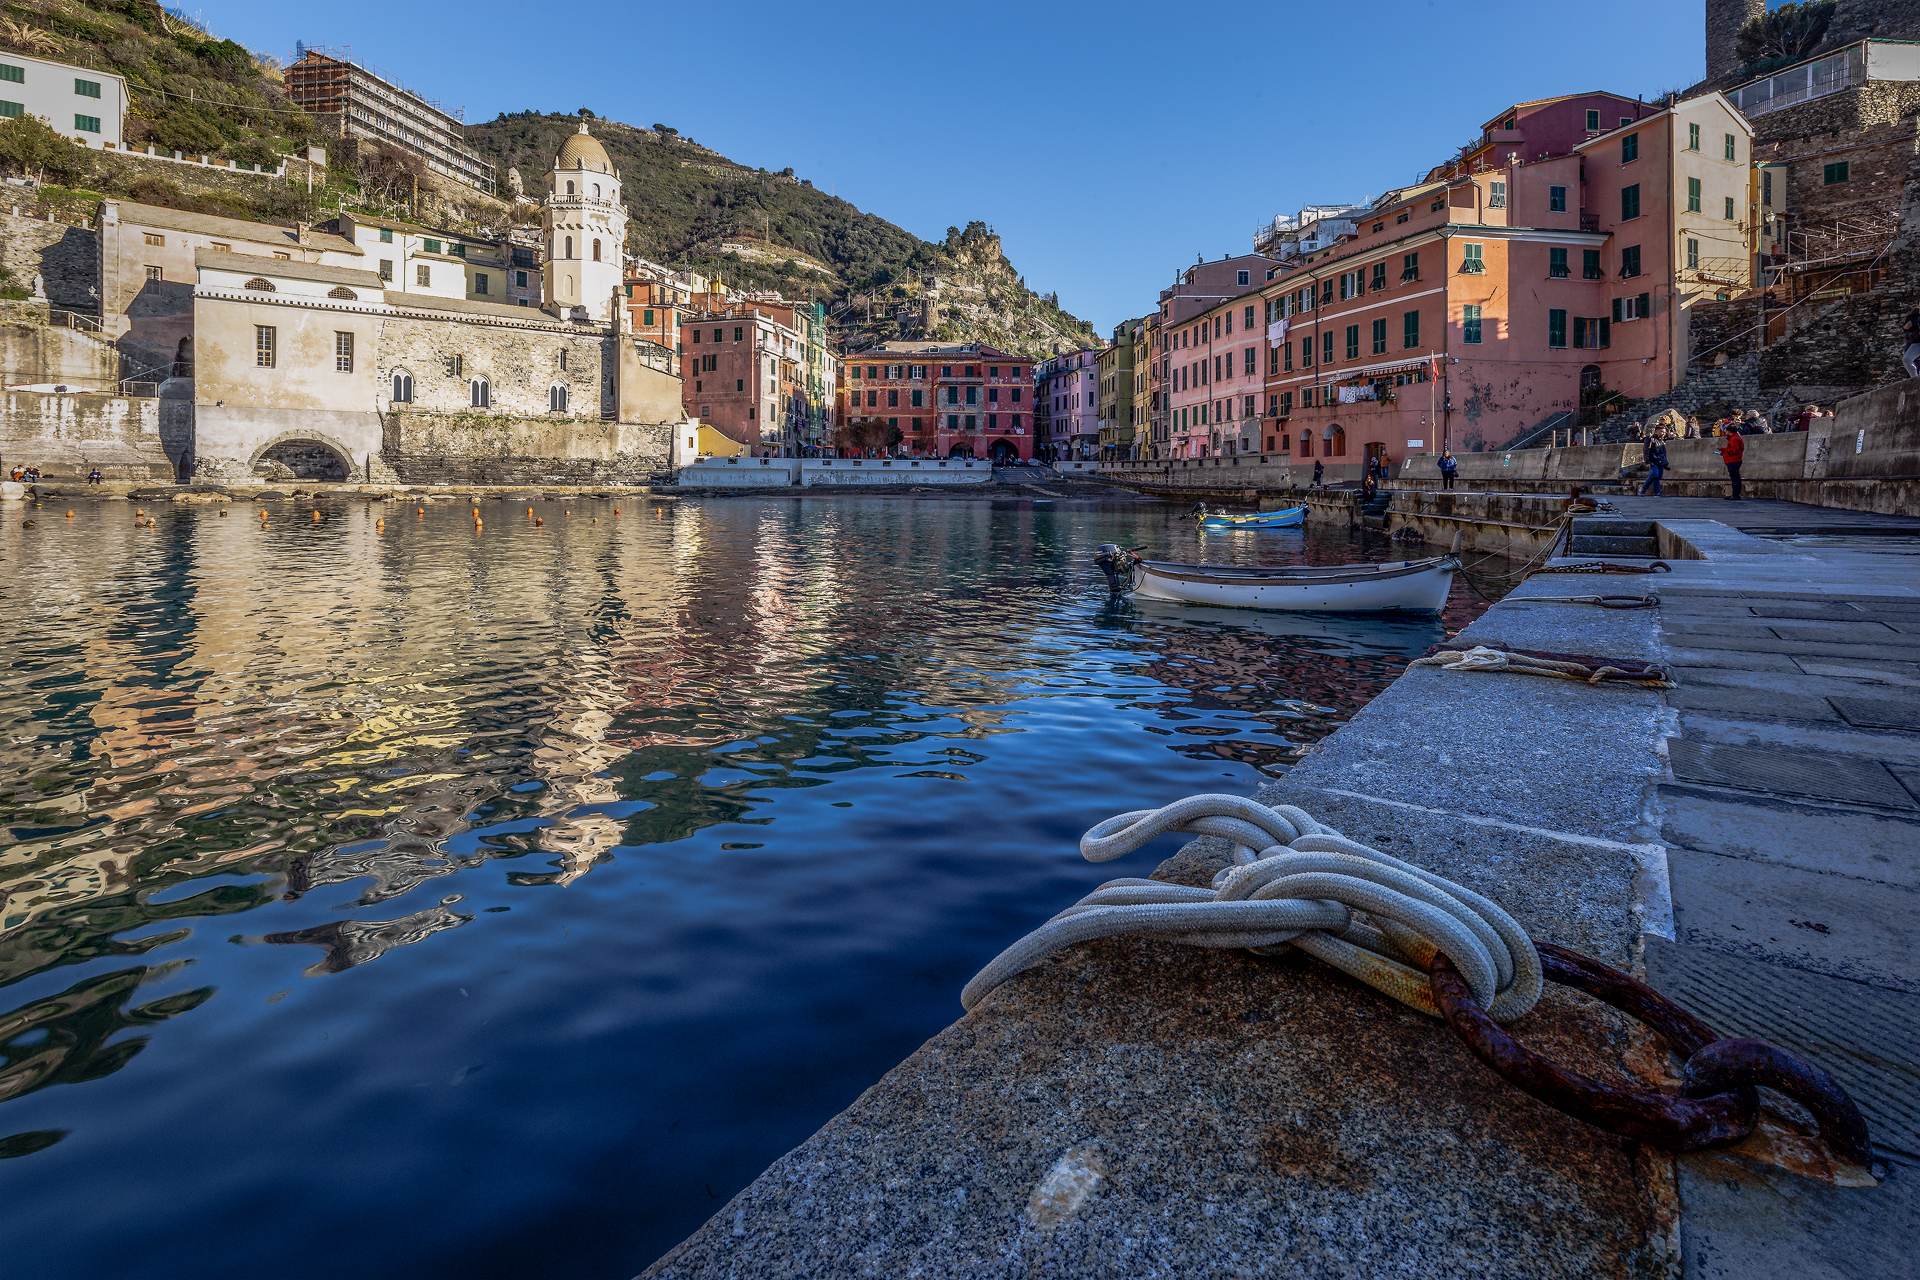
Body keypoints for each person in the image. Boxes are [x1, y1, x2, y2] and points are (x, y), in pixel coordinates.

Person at [1720, 425, 1745, 500]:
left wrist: (1725, 452)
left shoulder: (1734, 439)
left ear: (1729, 431)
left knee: (1735, 478)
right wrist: (1724, 450)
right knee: (1735, 477)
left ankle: (1736, 495)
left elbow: (1734, 450)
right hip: (1733, 460)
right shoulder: (1734, 438)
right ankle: (1735, 494)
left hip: (1733, 460)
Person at [1902, 306, 1919, 379]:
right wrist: (1906, 328)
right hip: (1917, 342)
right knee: (1906, 359)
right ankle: (1915, 379)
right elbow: (1907, 332)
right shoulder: (1913, 317)